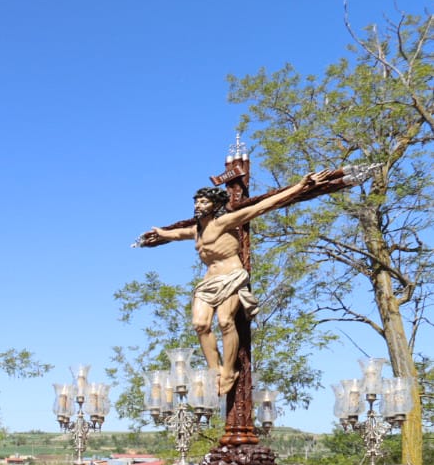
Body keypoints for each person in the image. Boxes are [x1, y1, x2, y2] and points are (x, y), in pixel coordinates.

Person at [141, 169, 338, 395]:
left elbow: (261, 207)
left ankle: (229, 370)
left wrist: (301, 186)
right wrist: (159, 234)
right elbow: (175, 234)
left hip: (231, 276)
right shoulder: (196, 230)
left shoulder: (224, 222)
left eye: (204, 202)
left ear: (214, 205)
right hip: (208, 282)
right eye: (196, 202)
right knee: (200, 324)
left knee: (225, 321)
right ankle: (215, 369)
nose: (198, 205)